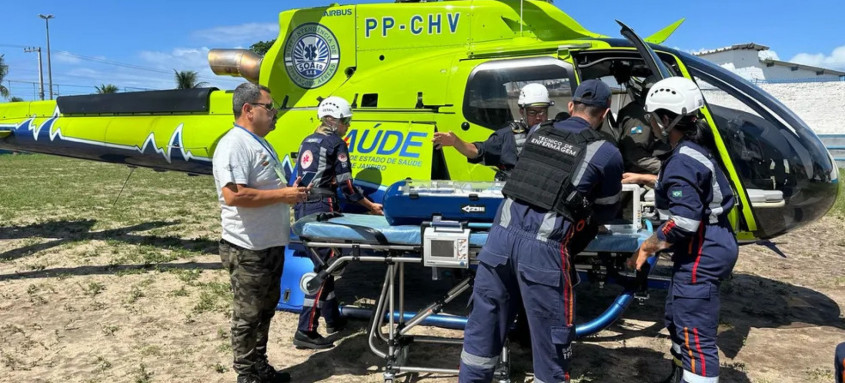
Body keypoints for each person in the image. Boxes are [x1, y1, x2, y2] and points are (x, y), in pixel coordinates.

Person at [459, 79, 624, 382]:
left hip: (498, 241)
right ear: (605, 112)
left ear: (571, 106)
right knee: (550, 352)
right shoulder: (606, 152)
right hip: (544, 251)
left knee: (481, 340)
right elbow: (607, 209)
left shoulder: (537, 133)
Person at [626, 77, 738, 383]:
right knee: (677, 318)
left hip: (702, 248)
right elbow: (690, 186)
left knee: (694, 331)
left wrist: (646, 247)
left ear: (666, 119)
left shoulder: (681, 161)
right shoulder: (691, 150)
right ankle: (679, 375)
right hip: (706, 244)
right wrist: (646, 178)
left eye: (652, 118)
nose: (650, 124)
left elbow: (684, 222)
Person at [212, 82, 307, 383]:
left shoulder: (260, 142)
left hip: (270, 244)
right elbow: (234, 196)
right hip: (247, 248)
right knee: (247, 317)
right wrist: (284, 196)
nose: (275, 113)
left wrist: (289, 192)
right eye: (269, 107)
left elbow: (266, 187)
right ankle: (245, 375)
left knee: (265, 311)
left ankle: (259, 367)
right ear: (248, 110)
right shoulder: (234, 144)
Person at [292, 96, 384, 350]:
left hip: (302, 207)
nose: (348, 127)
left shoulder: (307, 140)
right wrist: (370, 206)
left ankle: (332, 320)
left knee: (323, 263)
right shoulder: (335, 143)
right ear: (336, 120)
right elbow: (347, 186)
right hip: (322, 208)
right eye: (347, 122)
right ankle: (305, 329)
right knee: (329, 265)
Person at [432, 83, 553, 181]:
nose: (538, 117)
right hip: (516, 200)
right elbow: (477, 151)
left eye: (543, 112)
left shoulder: (557, 134)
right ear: (522, 112)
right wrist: (456, 142)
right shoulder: (507, 136)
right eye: (532, 112)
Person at [617, 76, 671, 178]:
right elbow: (635, 154)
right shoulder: (640, 116)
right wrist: (665, 167)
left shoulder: (644, 111)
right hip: (637, 171)